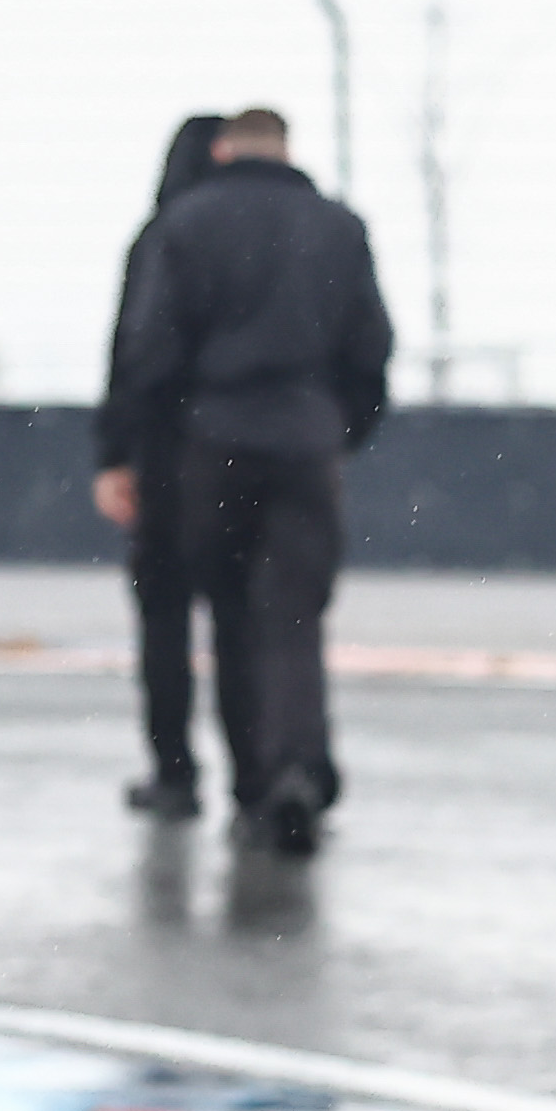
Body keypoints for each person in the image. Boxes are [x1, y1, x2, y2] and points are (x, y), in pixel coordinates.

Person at [103, 105, 395, 856]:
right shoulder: (339, 228)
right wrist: (338, 428)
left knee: (231, 610)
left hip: (216, 440)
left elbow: (150, 349)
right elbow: (370, 347)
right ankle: (295, 767)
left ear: (227, 149)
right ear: (288, 148)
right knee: (294, 615)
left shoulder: (186, 225)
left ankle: (247, 778)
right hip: (306, 440)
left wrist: (147, 444)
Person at [94, 115, 229, 818]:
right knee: (248, 617)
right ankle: (262, 772)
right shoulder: (258, 238)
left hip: (167, 453)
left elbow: (131, 355)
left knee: (164, 620)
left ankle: (174, 769)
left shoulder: (159, 239)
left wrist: (116, 454)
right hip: (239, 448)